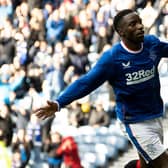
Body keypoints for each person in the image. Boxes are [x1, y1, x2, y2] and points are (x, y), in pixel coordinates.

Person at [34, 9, 168, 168]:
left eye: (139, 22)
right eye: (133, 24)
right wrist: (59, 103)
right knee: (163, 163)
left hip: (156, 114)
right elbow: (86, 83)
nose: (140, 27)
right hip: (134, 121)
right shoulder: (113, 58)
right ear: (121, 32)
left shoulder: (151, 44)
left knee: (149, 164)